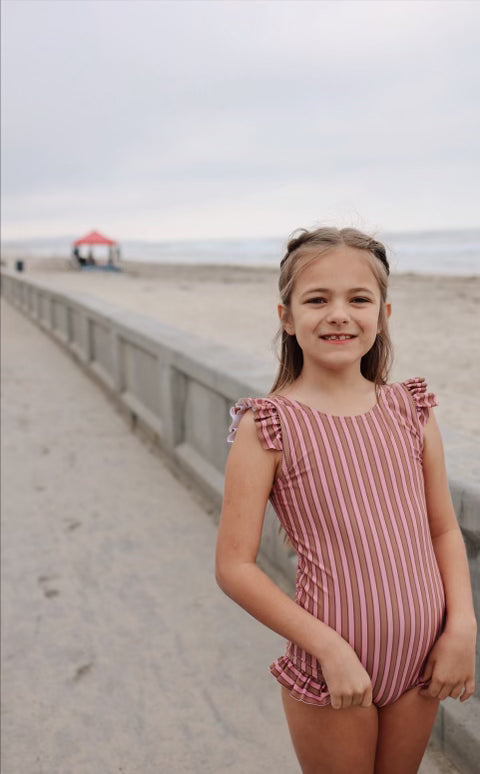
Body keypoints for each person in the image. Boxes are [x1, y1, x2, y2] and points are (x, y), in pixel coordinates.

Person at [215, 227, 476, 774]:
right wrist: (329, 650)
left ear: (383, 313)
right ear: (286, 317)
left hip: (422, 660)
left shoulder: (411, 410)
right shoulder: (268, 425)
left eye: (359, 299)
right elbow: (235, 566)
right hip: (335, 663)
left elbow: (443, 531)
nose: (339, 314)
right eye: (317, 299)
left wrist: (462, 629)